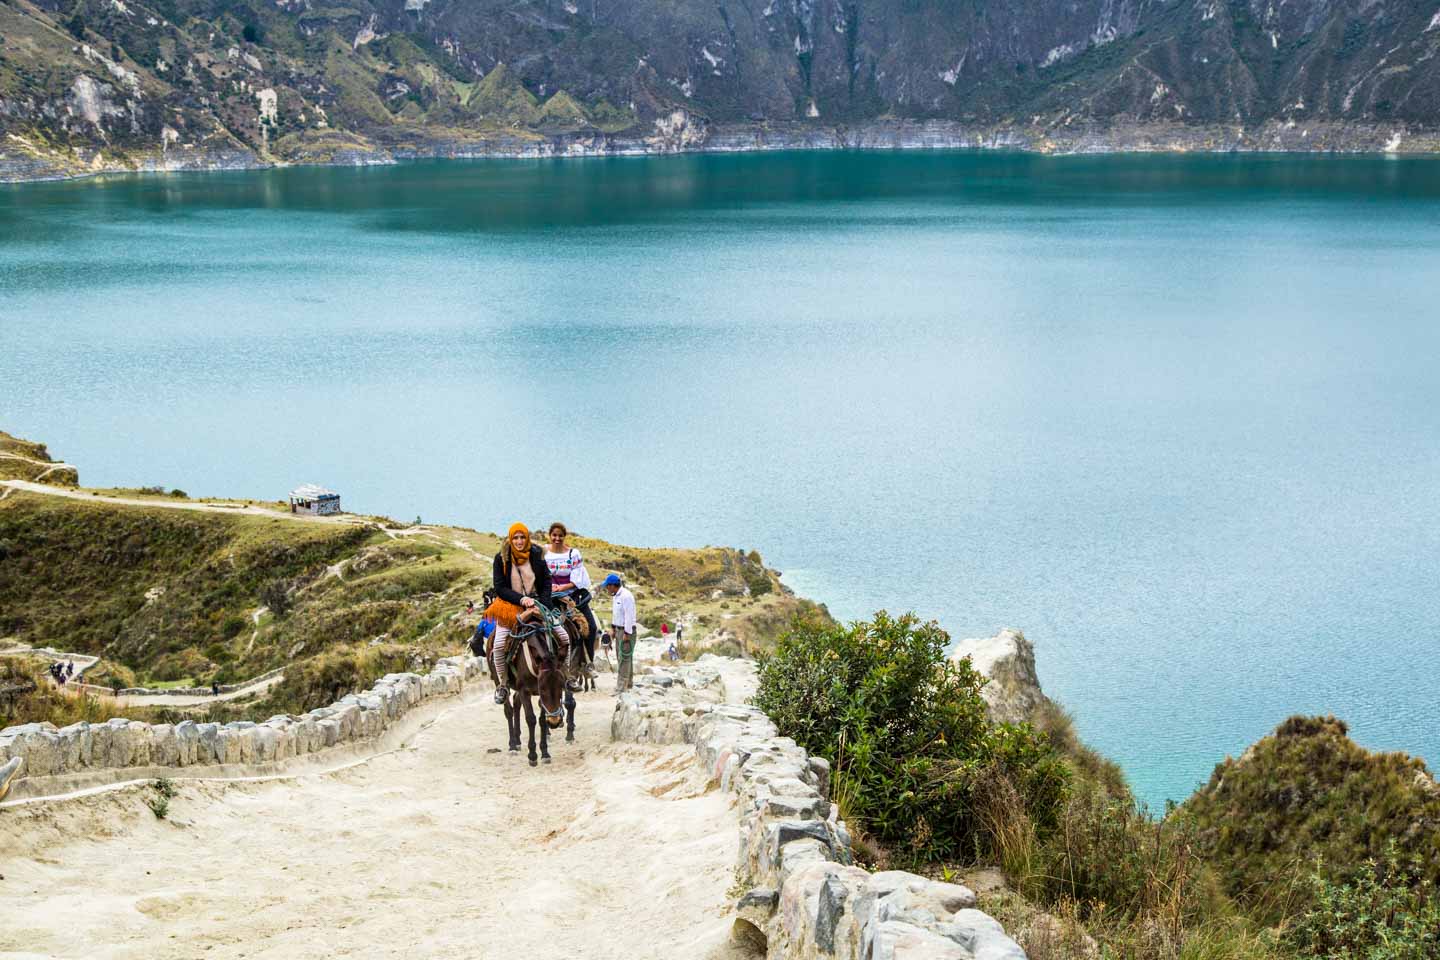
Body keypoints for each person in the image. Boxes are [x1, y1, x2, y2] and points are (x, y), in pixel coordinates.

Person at [485, 522, 573, 704]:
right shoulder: (501, 558)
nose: (519, 541)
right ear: (510, 539)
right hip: (510, 606)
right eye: (515, 538)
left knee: (564, 637)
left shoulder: (536, 555)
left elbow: (546, 582)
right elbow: (500, 588)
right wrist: (521, 600)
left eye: (522, 537)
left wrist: (543, 604)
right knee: (500, 645)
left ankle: (566, 674)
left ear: (527, 538)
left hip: (537, 604)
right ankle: (502, 684)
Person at [544, 522, 598, 677]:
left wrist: (562, 588)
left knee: (591, 627)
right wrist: (549, 587)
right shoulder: (543, 553)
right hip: (549, 596)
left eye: (560, 535)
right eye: (554, 535)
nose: (557, 538)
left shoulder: (573, 554)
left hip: (571, 596)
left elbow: (577, 577)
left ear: (564, 536)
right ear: (550, 536)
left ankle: (588, 663)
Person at [601, 573, 637, 694]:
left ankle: (621, 688)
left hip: (626, 631)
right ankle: (629, 683)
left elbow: (629, 615)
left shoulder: (626, 596)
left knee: (624, 659)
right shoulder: (616, 596)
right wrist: (613, 629)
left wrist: (627, 633)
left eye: (607, 586)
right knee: (623, 657)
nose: (606, 588)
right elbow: (616, 615)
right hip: (618, 630)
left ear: (612, 586)